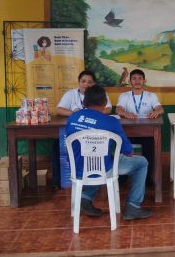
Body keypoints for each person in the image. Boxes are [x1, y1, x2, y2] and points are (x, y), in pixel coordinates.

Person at [66, 84, 152, 220]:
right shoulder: (111, 122)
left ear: (83, 102)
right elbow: (128, 151)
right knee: (141, 162)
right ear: (105, 103)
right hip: (102, 169)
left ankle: (85, 199)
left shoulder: (72, 118)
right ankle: (133, 207)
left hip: (76, 168)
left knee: (97, 159)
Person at [53, 70, 112, 189]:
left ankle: (96, 178)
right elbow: (59, 110)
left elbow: (108, 109)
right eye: (83, 81)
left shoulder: (100, 94)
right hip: (76, 133)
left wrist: (89, 115)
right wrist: (75, 114)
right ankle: (57, 180)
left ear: (94, 84)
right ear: (78, 83)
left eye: (90, 82)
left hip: (94, 134)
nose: (86, 84)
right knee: (56, 146)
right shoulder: (71, 94)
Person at [115, 69, 164, 184]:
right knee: (121, 145)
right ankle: (122, 175)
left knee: (150, 145)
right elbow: (118, 109)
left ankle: (148, 177)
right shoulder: (124, 95)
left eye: (140, 78)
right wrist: (125, 113)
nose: (137, 81)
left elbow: (160, 108)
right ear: (130, 81)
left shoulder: (151, 95)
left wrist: (157, 111)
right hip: (128, 132)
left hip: (146, 132)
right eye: (134, 78)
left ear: (144, 81)